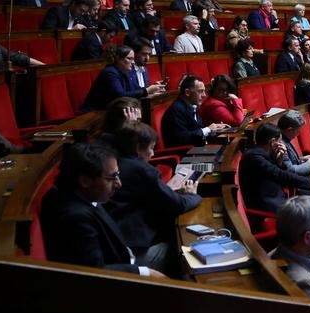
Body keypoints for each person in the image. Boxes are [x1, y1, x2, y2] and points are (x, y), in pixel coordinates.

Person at [39, 142, 165, 276]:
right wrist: (146, 273)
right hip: (122, 275)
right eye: (111, 178)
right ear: (85, 181)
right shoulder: (74, 217)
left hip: (122, 255)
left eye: (118, 174)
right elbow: (95, 272)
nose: (119, 183)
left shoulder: (81, 193)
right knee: (174, 251)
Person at [104, 121, 201, 274]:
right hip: (134, 253)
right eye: (151, 148)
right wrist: (191, 195)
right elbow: (178, 204)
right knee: (188, 251)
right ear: (137, 148)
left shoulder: (111, 161)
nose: (153, 153)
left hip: (115, 245)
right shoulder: (141, 170)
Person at [239, 124, 310, 213]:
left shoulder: (261, 153)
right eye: (279, 141)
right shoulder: (254, 157)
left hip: (277, 196)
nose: (282, 144)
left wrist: (280, 161)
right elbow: (279, 174)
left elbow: (277, 172)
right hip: (269, 204)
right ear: (273, 142)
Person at [80, 44, 167, 112]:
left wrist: (154, 88)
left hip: (113, 110)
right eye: (129, 59)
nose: (133, 62)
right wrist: (147, 91)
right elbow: (120, 96)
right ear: (118, 59)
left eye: (133, 59)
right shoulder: (110, 72)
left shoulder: (124, 71)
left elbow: (134, 89)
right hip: (96, 111)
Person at [160, 76, 232, 148]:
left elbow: (198, 130)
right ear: (187, 92)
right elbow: (182, 138)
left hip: (198, 150)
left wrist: (216, 129)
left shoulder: (192, 106)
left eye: (204, 91)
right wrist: (208, 129)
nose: (204, 95)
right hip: (185, 155)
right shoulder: (176, 110)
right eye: (200, 91)